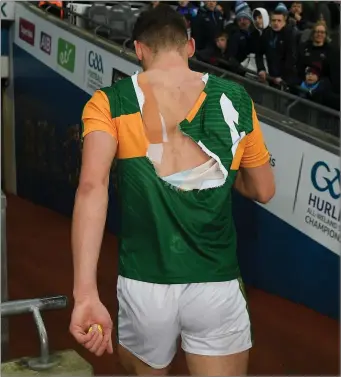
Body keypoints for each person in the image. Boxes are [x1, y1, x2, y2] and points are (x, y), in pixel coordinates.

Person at [69, 4, 275, 376]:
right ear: (191, 47)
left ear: (139, 50)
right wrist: (230, 177)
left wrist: (85, 294)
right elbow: (263, 189)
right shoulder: (236, 98)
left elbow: (91, 187)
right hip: (216, 282)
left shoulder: (109, 102)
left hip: (144, 285)